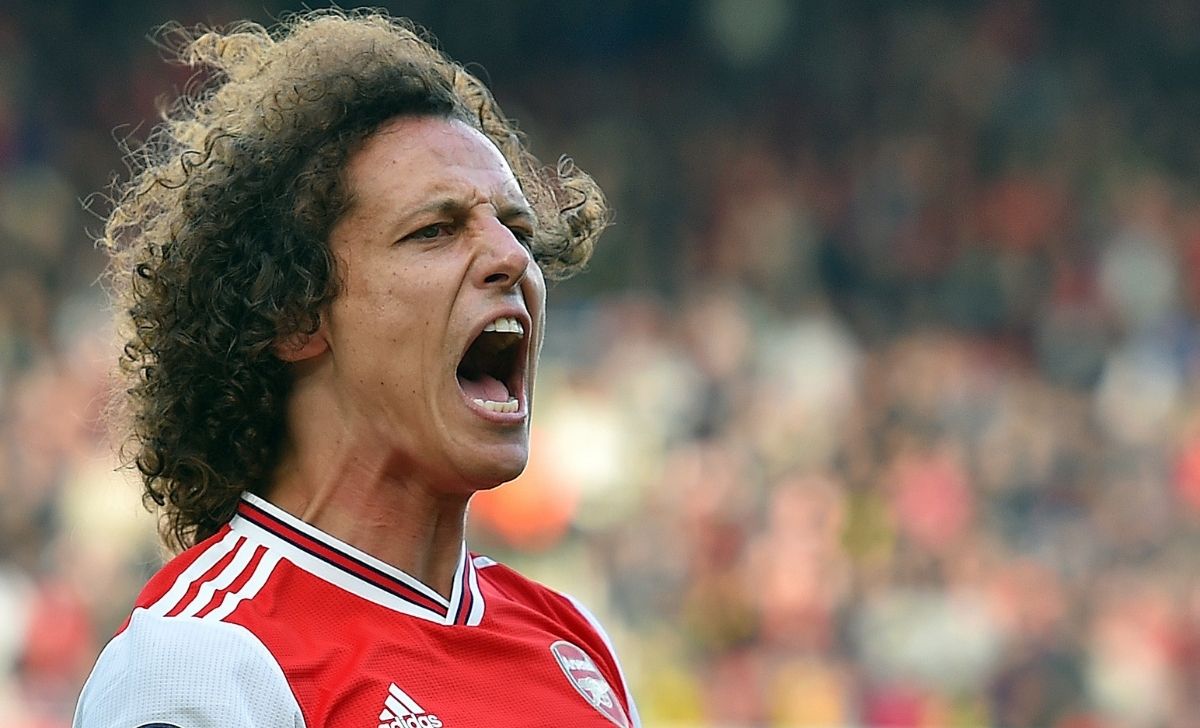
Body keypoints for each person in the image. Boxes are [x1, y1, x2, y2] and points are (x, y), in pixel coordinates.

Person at [73, 10, 639, 728]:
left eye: (517, 230)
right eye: (434, 231)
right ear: (294, 313)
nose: (511, 259)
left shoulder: (574, 644)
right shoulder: (205, 660)